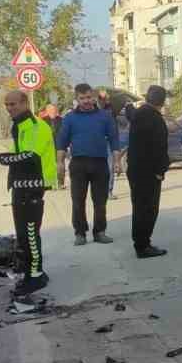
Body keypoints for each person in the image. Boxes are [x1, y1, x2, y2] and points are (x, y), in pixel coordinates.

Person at [0, 90, 58, 296]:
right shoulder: (20, 125)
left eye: (13, 104)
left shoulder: (36, 126)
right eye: (7, 104)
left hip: (33, 186)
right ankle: (33, 272)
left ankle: (36, 275)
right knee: (23, 235)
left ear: (24, 103)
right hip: (21, 186)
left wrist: (3, 158)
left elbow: (30, 155)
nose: (9, 108)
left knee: (30, 234)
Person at [56, 83, 119, 246]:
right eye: (82, 98)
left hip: (99, 163)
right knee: (78, 200)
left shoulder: (105, 116)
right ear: (76, 99)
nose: (86, 101)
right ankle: (80, 233)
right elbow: (62, 142)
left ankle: (99, 232)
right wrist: (60, 164)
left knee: (100, 201)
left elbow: (114, 139)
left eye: (89, 97)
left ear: (94, 97)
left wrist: (117, 161)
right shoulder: (70, 118)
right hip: (78, 163)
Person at [126, 85, 171, 259]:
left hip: (136, 170)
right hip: (149, 173)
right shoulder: (154, 118)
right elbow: (159, 148)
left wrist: (129, 105)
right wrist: (161, 170)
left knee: (139, 207)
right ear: (162, 101)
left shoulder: (138, 114)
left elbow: (130, 113)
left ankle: (141, 242)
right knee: (148, 209)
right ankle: (143, 245)